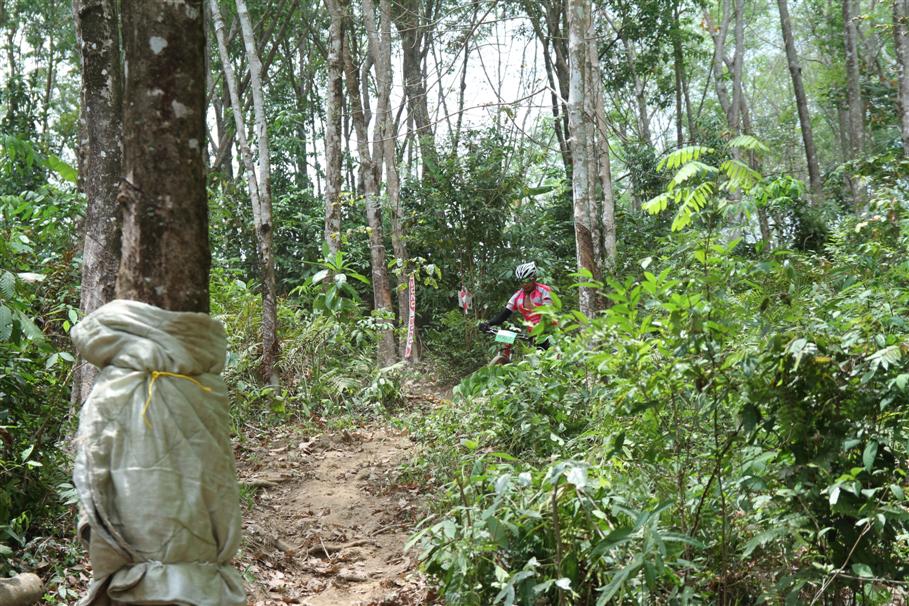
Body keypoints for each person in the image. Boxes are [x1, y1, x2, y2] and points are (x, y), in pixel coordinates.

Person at [480, 262, 553, 341]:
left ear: (534, 279)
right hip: (532, 335)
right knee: (505, 340)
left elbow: (547, 314)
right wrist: (488, 323)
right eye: (521, 281)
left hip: (549, 333)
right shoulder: (517, 296)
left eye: (527, 280)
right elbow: (503, 315)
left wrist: (539, 331)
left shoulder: (544, 290)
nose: (524, 284)